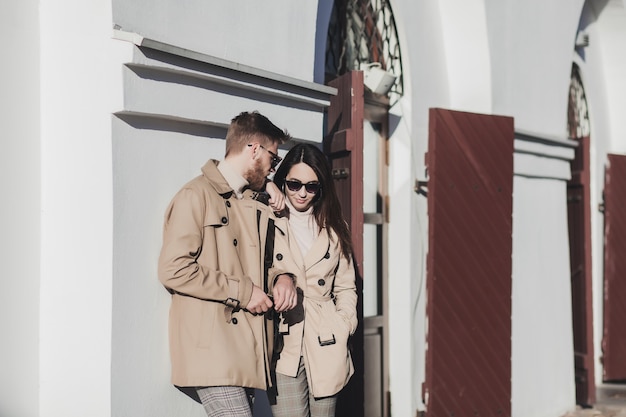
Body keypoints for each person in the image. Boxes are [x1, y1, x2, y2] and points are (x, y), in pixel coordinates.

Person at [158, 111, 299, 417]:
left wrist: (281, 278)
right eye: (273, 158)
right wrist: (244, 292)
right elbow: (173, 268)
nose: (273, 168)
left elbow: (263, 262)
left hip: (243, 347)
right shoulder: (196, 195)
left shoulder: (250, 199)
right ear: (254, 149)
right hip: (213, 347)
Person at [269, 143, 358, 417]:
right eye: (294, 184)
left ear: (321, 188)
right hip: (285, 341)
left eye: (311, 186)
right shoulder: (267, 218)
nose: (302, 193)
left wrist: (344, 324)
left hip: (327, 339)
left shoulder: (334, 227)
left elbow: (345, 285)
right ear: (283, 180)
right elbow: (236, 185)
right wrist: (266, 185)